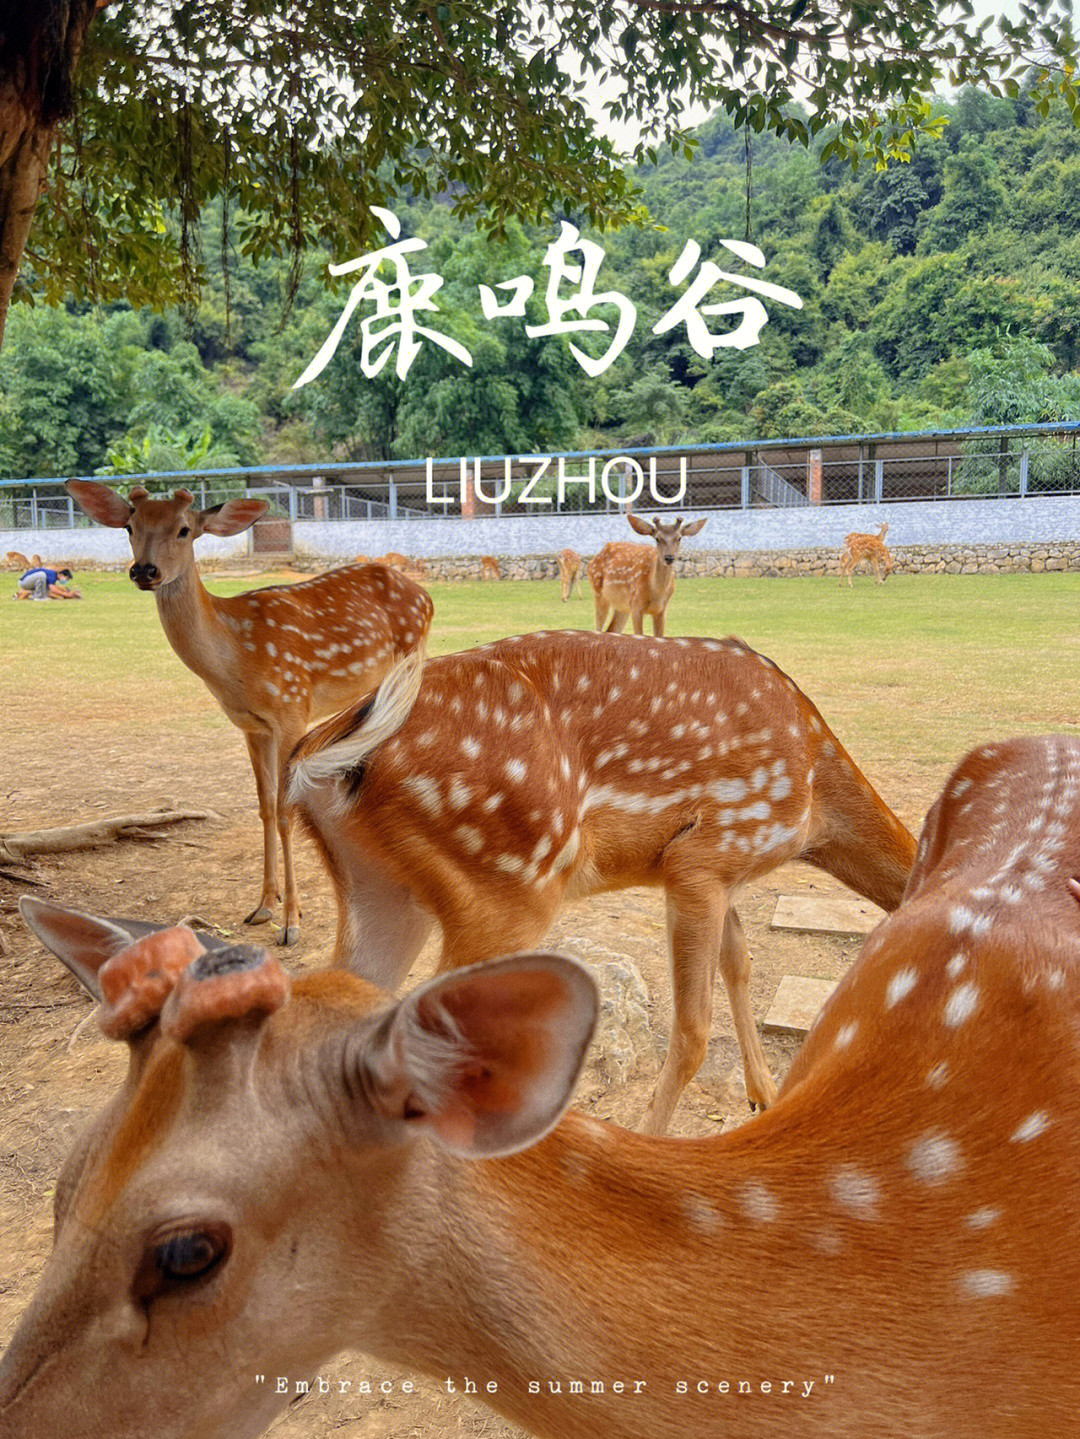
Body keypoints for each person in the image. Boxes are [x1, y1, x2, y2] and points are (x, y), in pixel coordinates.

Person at [15, 566, 81, 600]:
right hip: (24, 582)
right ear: (61, 574)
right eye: (66, 579)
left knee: (45, 589)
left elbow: (49, 591)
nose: (65, 581)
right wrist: (67, 595)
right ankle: (38, 598)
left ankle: (27, 595)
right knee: (42, 575)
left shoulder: (52, 578)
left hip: (27, 582)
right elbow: (53, 590)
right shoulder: (52, 575)